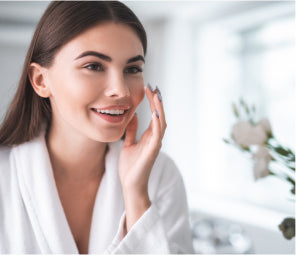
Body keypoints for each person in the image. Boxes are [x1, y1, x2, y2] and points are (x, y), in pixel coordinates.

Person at [0, 1, 194, 253]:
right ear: (40, 80)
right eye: (93, 66)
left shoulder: (159, 176)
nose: (121, 90)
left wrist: (136, 195)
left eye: (133, 68)